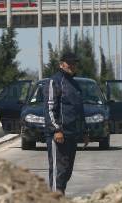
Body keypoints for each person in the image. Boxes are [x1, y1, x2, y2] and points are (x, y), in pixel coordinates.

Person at [43, 52, 89, 195]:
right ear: (61, 64)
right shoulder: (54, 81)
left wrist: (85, 132)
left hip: (72, 134)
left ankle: (60, 195)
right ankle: (55, 200)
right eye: (69, 63)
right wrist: (56, 129)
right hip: (59, 135)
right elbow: (50, 108)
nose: (72, 66)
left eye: (74, 63)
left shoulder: (74, 84)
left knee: (67, 170)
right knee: (59, 169)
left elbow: (79, 110)